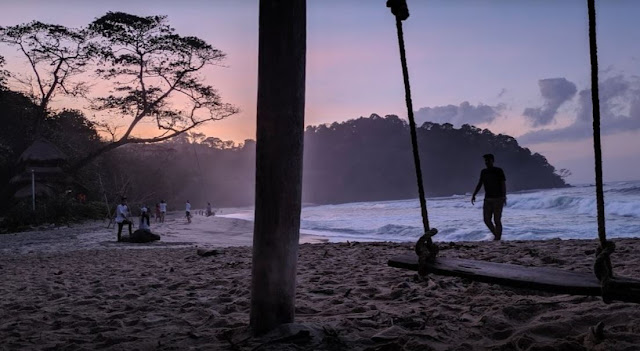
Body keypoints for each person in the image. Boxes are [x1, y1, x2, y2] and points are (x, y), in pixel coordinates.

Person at [471, 153, 507, 240]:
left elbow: (503, 184)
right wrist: (474, 194)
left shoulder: (498, 171)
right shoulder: (484, 172)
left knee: (497, 220)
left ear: (493, 161)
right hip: (487, 199)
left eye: (488, 160)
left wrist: (504, 196)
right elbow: (480, 184)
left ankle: (497, 238)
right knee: (486, 220)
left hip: (498, 198)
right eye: (485, 161)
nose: (487, 162)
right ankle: (497, 236)